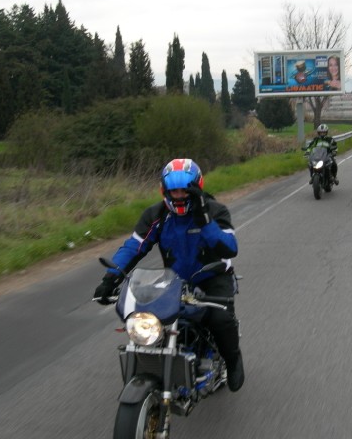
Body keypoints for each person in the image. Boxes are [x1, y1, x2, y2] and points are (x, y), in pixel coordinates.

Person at [93, 158, 245, 392]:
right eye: (174, 191)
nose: (180, 196)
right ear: (164, 191)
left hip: (213, 278)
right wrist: (110, 278)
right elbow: (134, 247)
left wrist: (204, 220)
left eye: (185, 190)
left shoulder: (215, 210)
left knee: (220, 320)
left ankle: (233, 361)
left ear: (197, 187)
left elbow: (229, 248)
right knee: (154, 321)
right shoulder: (156, 214)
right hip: (175, 280)